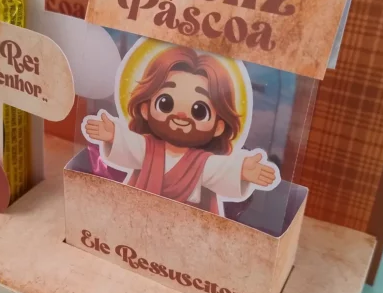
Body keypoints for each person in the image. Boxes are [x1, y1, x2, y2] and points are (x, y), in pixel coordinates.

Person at [83, 45, 279, 216]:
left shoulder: (203, 163)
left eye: (199, 111)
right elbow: (131, 146)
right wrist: (113, 135)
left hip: (186, 225)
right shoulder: (147, 148)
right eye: (165, 103)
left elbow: (219, 171)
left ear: (219, 127)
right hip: (141, 214)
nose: (181, 116)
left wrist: (242, 171)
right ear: (145, 109)